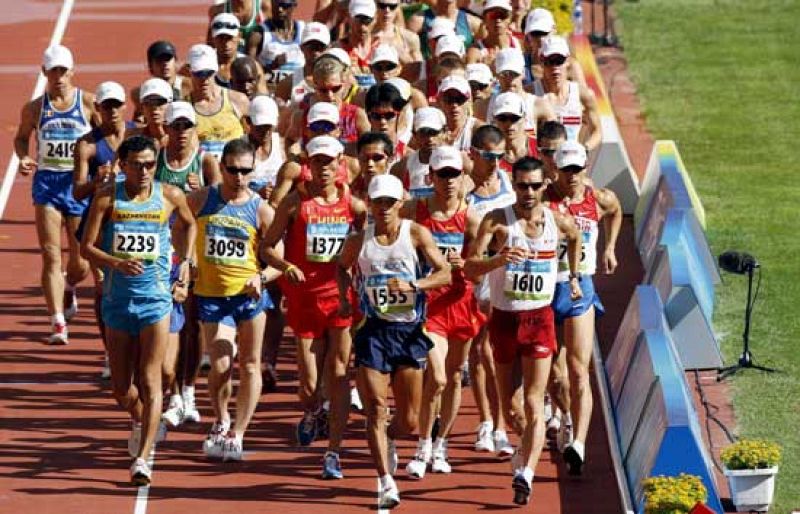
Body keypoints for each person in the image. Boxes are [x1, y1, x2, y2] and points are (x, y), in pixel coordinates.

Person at [464, 156, 582, 505]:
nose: (528, 192)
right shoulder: (498, 222)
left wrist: (572, 276)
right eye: (521, 185)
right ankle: (525, 452)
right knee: (511, 408)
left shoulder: (558, 222)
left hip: (539, 320)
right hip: (504, 320)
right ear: (512, 185)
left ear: (546, 185)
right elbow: (470, 268)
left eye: (534, 185)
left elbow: (575, 238)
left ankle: (525, 474)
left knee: (533, 402)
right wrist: (499, 259)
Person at [79, 135, 196, 485]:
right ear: (123, 165)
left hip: (156, 301)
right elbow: (86, 248)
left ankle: (144, 458)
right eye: (137, 164)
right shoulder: (107, 198)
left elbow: (190, 224)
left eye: (150, 164)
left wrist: (186, 262)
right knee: (120, 388)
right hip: (117, 302)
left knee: (151, 377)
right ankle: (144, 417)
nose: (144, 171)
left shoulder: (170, 196)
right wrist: (116, 262)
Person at [336, 173, 451, 509]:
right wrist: (345, 298)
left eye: (390, 202)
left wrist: (415, 286)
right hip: (373, 331)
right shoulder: (360, 241)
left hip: (409, 333)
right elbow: (340, 267)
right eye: (378, 202)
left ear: (401, 203)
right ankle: (385, 482)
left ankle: (390, 438)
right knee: (375, 409)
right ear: (369, 205)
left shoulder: (415, 234)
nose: (384, 208)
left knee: (409, 421)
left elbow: (444, 272)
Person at [262, 135, 367, 477]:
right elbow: (265, 247)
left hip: (340, 300)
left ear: (340, 163)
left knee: (338, 373)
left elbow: (368, 243)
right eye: (317, 162)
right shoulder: (294, 203)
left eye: (329, 161)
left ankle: (333, 451)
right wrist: (285, 266)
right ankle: (313, 411)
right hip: (304, 300)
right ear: (308, 165)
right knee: (307, 388)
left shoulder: (355, 206)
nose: (324, 168)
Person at [188, 138, 279, 461]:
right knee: (222, 364)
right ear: (222, 167)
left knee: (251, 365)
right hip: (212, 295)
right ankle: (222, 416)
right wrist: (187, 260)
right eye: (232, 170)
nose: (239, 177)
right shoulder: (202, 199)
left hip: (249, 297)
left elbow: (278, 257)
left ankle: (238, 431)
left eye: (245, 171)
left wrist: (263, 276)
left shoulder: (261, 209)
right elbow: (180, 229)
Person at [402, 146, 481, 479]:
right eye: (443, 174)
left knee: (453, 377)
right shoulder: (413, 209)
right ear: (430, 176)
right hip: (429, 305)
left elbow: (477, 266)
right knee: (435, 377)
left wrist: (467, 264)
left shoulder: (473, 217)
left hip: (462, 303)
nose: (449, 181)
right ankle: (422, 445)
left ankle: (441, 445)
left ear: (463, 177)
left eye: (455, 174)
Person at [546, 140, 621, 475]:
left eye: (577, 169)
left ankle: (579, 441)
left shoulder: (598, 198)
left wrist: (610, 248)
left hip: (580, 288)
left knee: (579, 371)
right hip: (546, 291)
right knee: (555, 375)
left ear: (585, 168)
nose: (572, 175)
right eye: (566, 169)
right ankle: (564, 415)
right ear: (556, 169)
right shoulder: (543, 200)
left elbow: (616, 210)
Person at [14, 44, 95, 344]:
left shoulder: (87, 104)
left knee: (81, 263)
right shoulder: (35, 108)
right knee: (51, 256)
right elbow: (21, 139)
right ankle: (57, 321)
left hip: (78, 186)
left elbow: (106, 138)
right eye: (53, 71)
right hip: (47, 184)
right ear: (44, 72)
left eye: (63, 70)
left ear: (72, 71)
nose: (59, 77)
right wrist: (22, 157)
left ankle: (70, 287)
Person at [157, 101, 221, 429]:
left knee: (192, 325)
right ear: (166, 129)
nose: (182, 132)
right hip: (160, 257)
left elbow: (223, 199)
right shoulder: (154, 161)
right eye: (176, 126)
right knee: (168, 328)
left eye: (187, 126)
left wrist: (205, 190)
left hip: (194, 258)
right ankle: (172, 393)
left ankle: (189, 392)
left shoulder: (205, 160)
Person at [72, 81, 135, 373]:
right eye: (106, 105)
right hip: (99, 225)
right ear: (97, 108)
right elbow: (77, 192)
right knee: (103, 289)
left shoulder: (138, 134)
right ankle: (110, 351)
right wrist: (97, 181)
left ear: (125, 106)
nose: (112, 111)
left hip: (134, 220)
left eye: (116, 105)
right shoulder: (86, 144)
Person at [465, 124, 517, 455]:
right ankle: (489, 422)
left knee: (500, 354)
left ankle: (500, 422)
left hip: (508, 281)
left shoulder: (511, 188)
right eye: (487, 156)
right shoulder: (463, 192)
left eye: (499, 156)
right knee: (480, 351)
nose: (494, 162)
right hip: (476, 280)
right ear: (473, 154)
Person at [533, 35, 601, 151]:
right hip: (544, 163)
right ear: (541, 62)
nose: (555, 68)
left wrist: (584, 149)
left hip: (571, 163)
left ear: (568, 61)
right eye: (550, 62)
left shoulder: (584, 95)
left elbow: (597, 131)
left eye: (559, 61)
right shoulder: (531, 94)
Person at [187, 44, 249, 161]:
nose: (204, 79)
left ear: (216, 70)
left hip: (235, 173)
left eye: (208, 73)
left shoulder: (238, 100)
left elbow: (255, 136)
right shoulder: (184, 108)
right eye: (198, 73)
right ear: (189, 70)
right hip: (202, 173)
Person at [248, 0, 305, 89]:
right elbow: (248, 71)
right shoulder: (258, 34)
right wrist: (271, 66)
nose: (280, 9)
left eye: (284, 5)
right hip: (270, 92)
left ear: (294, 5)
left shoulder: (304, 31)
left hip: (298, 93)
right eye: (276, 4)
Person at [393, 106, 446, 199]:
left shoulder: (460, 161)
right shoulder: (403, 165)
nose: (429, 139)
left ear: (444, 132)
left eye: (434, 132)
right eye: (424, 133)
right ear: (414, 135)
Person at [132, 41, 188, 124]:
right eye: (159, 60)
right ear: (150, 66)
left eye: (168, 59)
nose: (164, 64)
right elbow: (138, 122)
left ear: (175, 62)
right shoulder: (143, 94)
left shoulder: (189, 86)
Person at [371, 0, 422, 82]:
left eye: (392, 7)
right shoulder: (366, 36)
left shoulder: (410, 38)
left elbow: (419, 72)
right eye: (382, 6)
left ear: (398, 8)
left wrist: (400, 53)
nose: (387, 10)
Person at [336, 0, 379, 90]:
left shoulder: (383, 47)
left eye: (367, 20)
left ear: (376, 18)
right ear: (349, 17)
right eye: (358, 19)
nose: (362, 26)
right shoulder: (337, 49)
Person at [210, 13, 244, 88]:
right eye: (221, 38)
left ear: (239, 36)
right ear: (213, 38)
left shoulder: (250, 66)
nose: (225, 43)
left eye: (229, 38)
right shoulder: (202, 63)